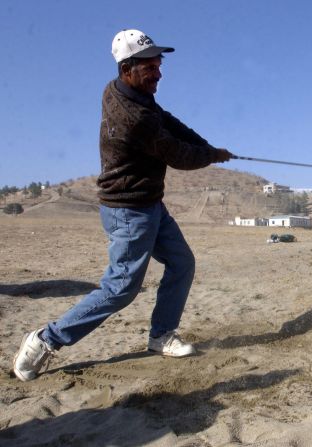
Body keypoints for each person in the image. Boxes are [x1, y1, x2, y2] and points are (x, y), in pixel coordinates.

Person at [13, 29, 233, 381]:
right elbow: (178, 155)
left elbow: (170, 122)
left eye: (159, 64)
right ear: (128, 67)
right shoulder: (134, 116)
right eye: (151, 67)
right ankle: (45, 339)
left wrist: (207, 145)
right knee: (120, 289)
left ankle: (161, 335)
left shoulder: (122, 90)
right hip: (129, 212)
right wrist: (211, 155)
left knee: (181, 263)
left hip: (148, 204)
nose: (159, 73)